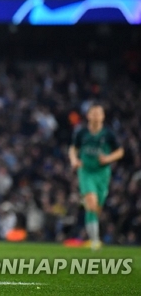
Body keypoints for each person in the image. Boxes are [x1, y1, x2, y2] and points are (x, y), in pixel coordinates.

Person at [68, 105, 124, 250]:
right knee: (92, 204)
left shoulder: (108, 134)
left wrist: (108, 159)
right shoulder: (82, 133)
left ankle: (93, 233)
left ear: (103, 116)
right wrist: (74, 160)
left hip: (102, 174)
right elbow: (73, 148)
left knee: (97, 207)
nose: (96, 116)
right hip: (86, 172)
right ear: (88, 116)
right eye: (93, 113)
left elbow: (120, 152)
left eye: (98, 113)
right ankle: (95, 241)